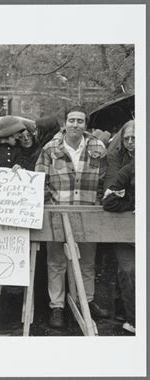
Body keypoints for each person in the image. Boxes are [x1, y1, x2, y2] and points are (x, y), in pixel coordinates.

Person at [35, 105, 110, 329]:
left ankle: (86, 300)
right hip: (58, 213)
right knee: (56, 262)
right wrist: (51, 205)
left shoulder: (98, 146)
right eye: (71, 120)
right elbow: (40, 180)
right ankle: (56, 306)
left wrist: (98, 202)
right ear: (64, 123)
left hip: (88, 213)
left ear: (85, 124)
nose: (75, 125)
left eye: (80, 121)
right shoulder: (50, 148)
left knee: (87, 261)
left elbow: (105, 179)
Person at [102, 161, 135, 334]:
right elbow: (108, 202)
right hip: (126, 235)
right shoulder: (128, 170)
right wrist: (134, 205)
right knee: (129, 270)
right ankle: (134, 320)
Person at [104, 120, 135, 190]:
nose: (130, 142)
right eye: (126, 138)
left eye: (133, 138)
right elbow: (111, 182)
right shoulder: (115, 155)